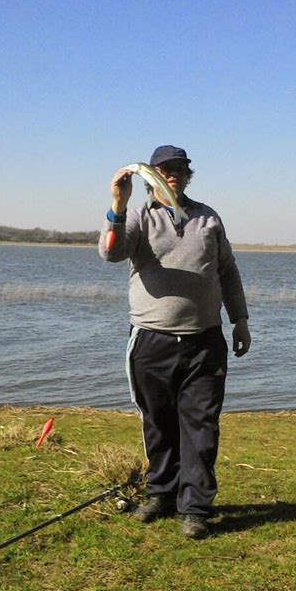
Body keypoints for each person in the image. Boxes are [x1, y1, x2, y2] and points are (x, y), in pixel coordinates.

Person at [99, 145, 251, 539]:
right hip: (151, 341)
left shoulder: (208, 217)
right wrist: (118, 202)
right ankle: (161, 494)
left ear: (188, 175)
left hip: (205, 342)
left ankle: (196, 508)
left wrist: (240, 320)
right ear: (152, 174)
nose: (173, 175)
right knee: (159, 423)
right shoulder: (138, 217)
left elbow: (228, 271)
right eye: (164, 169)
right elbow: (111, 253)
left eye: (180, 169)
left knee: (201, 427)